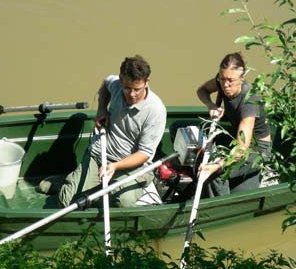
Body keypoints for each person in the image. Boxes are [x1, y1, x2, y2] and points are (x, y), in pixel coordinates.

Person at [40, 55, 167, 207]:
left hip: (132, 167)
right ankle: (69, 185)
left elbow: (144, 153)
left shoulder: (155, 110)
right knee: (65, 201)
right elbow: (105, 84)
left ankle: (81, 189)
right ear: (121, 80)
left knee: (124, 203)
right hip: (99, 155)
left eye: (137, 89)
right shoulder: (116, 85)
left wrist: (115, 166)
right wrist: (101, 109)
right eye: (127, 88)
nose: (132, 94)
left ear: (147, 82)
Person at [196, 52, 273, 196]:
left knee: (214, 174)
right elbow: (202, 91)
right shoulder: (221, 81)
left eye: (230, 80)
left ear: (242, 78)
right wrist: (211, 105)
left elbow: (241, 150)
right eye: (222, 78)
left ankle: (220, 208)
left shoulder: (249, 100)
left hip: (256, 151)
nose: (225, 85)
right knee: (189, 137)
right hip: (234, 137)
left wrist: (215, 166)